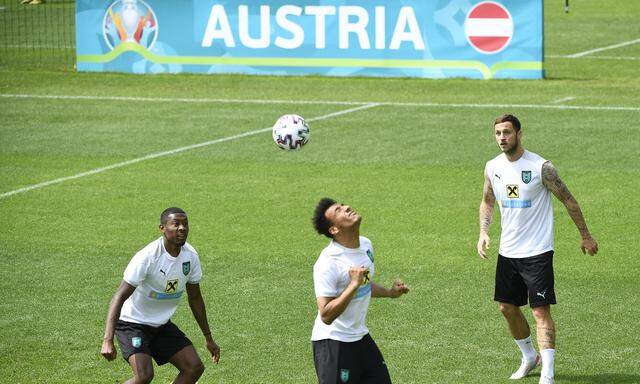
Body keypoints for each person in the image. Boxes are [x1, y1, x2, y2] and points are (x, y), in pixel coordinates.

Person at [477, 114, 599, 384]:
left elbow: (569, 200)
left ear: (519, 134)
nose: (502, 138)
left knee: (540, 311)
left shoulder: (541, 167)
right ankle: (530, 356)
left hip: (537, 252)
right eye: (497, 133)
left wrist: (585, 236)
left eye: (507, 132)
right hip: (508, 252)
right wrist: (484, 232)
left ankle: (548, 373)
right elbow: (487, 201)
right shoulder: (492, 167)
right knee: (506, 308)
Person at [101, 207, 220, 384]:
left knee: (193, 367)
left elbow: (195, 298)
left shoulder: (190, 257)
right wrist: (107, 340)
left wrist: (208, 338)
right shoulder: (147, 257)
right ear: (162, 228)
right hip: (132, 324)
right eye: (176, 224)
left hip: (161, 325)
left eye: (185, 224)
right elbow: (119, 297)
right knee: (144, 376)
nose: (182, 228)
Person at [311, 198, 409, 384]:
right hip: (333, 343)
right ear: (334, 230)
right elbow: (326, 314)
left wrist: (389, 292)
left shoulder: (365, 245)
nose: (347, 207)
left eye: (343, 205)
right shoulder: (328, 262)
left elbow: (365, 285)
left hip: (360, 337)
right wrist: (353, 284)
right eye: (339, 210)